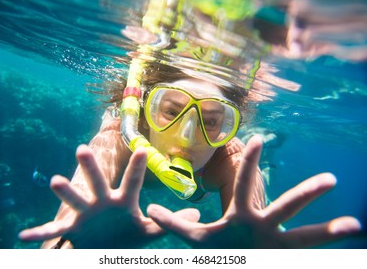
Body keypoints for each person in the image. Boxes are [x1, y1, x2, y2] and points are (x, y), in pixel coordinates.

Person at [18, 61, 361, 249]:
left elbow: (256, 226)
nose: (188, 136)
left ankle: (267, 148)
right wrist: (76, 253)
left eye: (211, 121)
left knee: (259, 164)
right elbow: (62, 233)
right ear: (143, 112)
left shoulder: (229, 157)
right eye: (170, 111)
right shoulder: (117, 139)